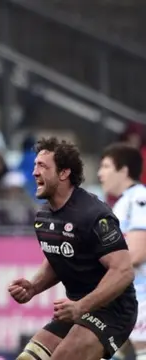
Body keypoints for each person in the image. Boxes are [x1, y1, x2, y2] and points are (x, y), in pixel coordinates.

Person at [9, 138, 137, 360]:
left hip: (112, 311)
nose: (34, 173)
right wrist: (33, 286)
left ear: (64, 173)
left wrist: (81, 306)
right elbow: (59, 258)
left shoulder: (93, 214)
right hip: (77, 308)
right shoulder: (43, 216)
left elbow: (123, 271)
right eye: (34, 166)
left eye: (42, 166)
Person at [98, 143, 146, 360]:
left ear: (124, 171)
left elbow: (136, 253)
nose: (100, 173)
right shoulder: (120, 204)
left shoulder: (138, 199)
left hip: (141, 295)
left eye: (106, 166)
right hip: (124, 295)